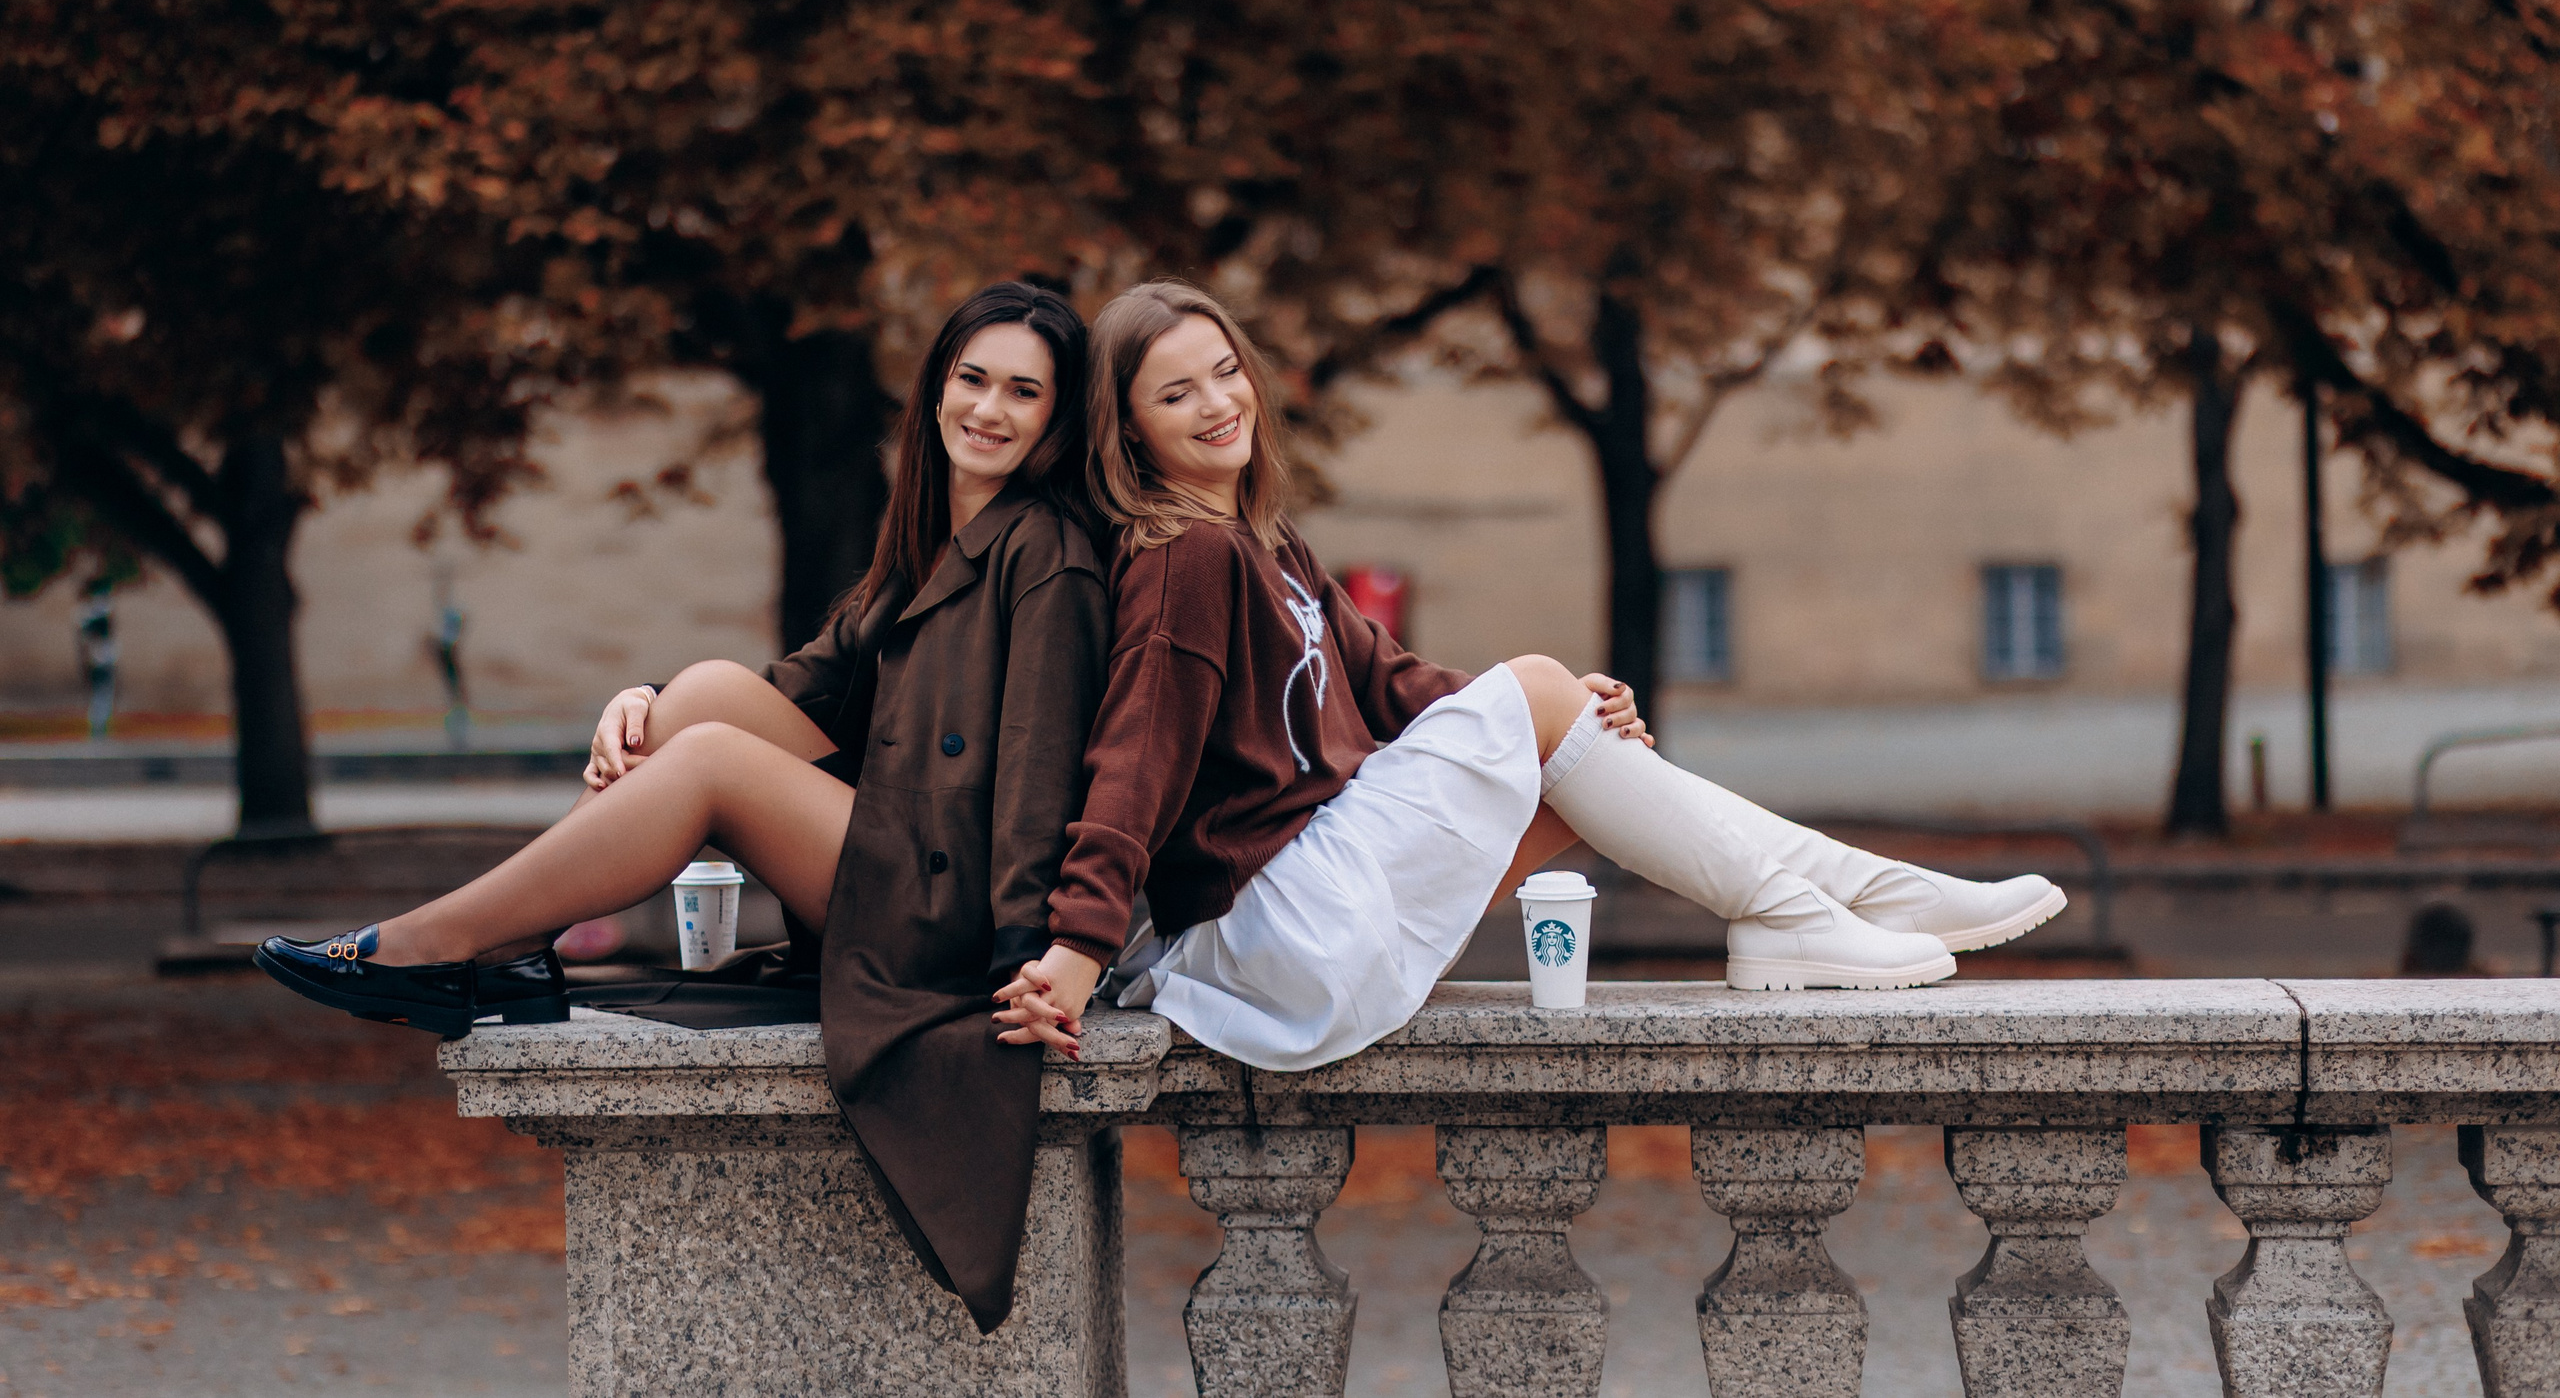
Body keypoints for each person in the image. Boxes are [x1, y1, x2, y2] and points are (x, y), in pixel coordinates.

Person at [257, 280, 1110, 1331]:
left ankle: (440, 946)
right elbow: (805, 685)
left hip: (954, 898)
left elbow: (1035, 766)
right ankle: (514, 952)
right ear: (936, 386)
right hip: (896, 845)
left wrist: (1028, 950)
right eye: (971, 378)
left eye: (1022, 392)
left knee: (709, 754)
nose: (987, 408)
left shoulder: (1049, 554)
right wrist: (646, 702)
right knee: (701, 696)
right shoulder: (932, 538)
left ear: (1057, 417)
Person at [991, 280, 2064, 1074]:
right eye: (1177, 392)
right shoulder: (1187, 558)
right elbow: (1134, 757)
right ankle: (1829, 899)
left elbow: (1399, 685)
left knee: (1571, 750)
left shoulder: (1265, 546)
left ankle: (1830, 896)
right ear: (1127, 426)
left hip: (1318, 931)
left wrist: (1566, 720)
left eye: (1226, 371)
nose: (1218, 401)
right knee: (1543, 695)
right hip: (1275, 928)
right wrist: (1081, 945)